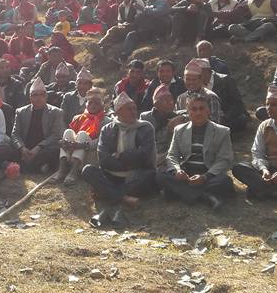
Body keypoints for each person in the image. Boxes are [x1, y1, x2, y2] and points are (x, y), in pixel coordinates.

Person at [83, 92, 158, 228]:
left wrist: (121, 156)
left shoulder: (146, 128)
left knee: (150, 176)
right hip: (112, 175)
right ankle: (124, 198)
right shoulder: (107, 129)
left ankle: (107, 192)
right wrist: (127, 163)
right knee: (87, 170)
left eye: (134, 108)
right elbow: (104, 159)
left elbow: (144, 156)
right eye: (129, 109)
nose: (133, 112)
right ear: (118, 112)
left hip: (136, 175)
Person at [157, 92, 235, 209]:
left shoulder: (222, 131)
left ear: (208, 111)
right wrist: (177, 171)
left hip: (209, 173)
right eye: (194, 109)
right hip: (186, 173)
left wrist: (204, 177)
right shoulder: (179, 130)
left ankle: (179, 192)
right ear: (188, 112)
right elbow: (172, 155)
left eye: (201, 108)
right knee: (160, 174)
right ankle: (205, 196)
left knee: (225, 181)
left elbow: (225, 160)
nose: (198, 112)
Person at [11, 78, 64, 175]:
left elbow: (56, 135)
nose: (38, 98)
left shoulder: (56, 112)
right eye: (35, 95)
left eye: (42, 95)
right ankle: (39, 166)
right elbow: (15, 134)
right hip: (26, 148)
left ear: (46, 96)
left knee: (55, 150)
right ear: (30, 97)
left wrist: (38, 147)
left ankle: (28, 165)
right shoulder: (21, 112)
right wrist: (22, 148)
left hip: (44, 148)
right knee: (5, 151)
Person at [57, 88, 109, 186]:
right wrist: (64, 142)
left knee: (82, 134)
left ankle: (74, 172)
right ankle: (62, 169)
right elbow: (71, 137)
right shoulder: (78, 118)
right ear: (86, 104)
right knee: (68, 131)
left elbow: (101, 142)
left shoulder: (106, 121)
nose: (93, 105)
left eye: (96, 103)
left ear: (102, 105)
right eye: (90, 102)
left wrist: (83, 145)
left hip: (89, 157)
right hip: (73, 154)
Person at [141, 84, 185, 165]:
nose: (170, 102)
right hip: (152, 156)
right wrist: (168, 129)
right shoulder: (146, 117)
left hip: (171, 157)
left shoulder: (177, 117)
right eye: (165, 100)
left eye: (171, 99)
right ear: (156, 104)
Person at [200, 58, 249, 132]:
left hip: (227, 117)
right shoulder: (196, 83)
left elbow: (237, 104)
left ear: (206, 71)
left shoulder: (226, 80)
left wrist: (225, 117)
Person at [176, 60, 223, 124]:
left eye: (194, 79)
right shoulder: (181, 98)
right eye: (188, 79)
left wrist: (185, 118)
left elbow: (215, 122)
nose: (191, 82)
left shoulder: (210, 97)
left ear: (201, 79)